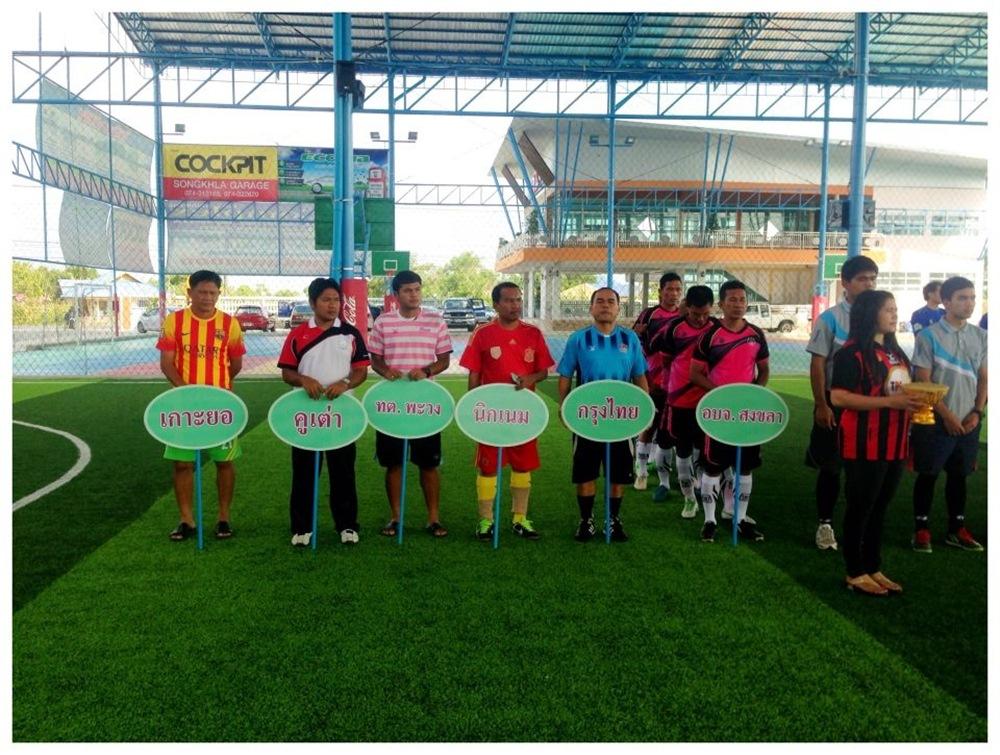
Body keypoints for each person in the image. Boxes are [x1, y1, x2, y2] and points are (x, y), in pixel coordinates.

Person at [830, 290, 922, 595]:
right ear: (870, 313)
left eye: (895, 309)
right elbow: (839, 397)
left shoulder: (896, 353)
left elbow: (900, 393)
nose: (895, 315)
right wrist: (889, 403)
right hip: (864, 443)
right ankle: (855, 571)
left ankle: (873, 566)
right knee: (861, 507)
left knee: (880, 508)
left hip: (895, 442)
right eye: (888, 310)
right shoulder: (851, 353)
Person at [277, 278, 370, 547]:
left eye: (336, 300)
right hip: (306, 417)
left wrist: (346, 383)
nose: (332, 305)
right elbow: (287, 372)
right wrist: (302, 379)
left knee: (343, 472)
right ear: (312, 303)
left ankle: (347, 525)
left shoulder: (350, 333)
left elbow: (361, 370)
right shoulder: (298, 334)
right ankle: (302, 527)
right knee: (304, 473)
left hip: (341, 416)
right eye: (326, 300)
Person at [459, 282, 554, 540]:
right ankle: (486, 521)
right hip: (491, 414)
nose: (515, 305)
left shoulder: (533, 333)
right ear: (496, 305)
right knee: (488, 467)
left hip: (523, 414)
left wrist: (530, 378)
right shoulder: (482, 333)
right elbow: (474, 373)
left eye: (518, 300)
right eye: (509, 300)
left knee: (522, 466)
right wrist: (472, 408)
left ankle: (520, 519)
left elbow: (543, 371)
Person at [156, 269, 245, 541]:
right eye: (202, 292)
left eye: (213, 293)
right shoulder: (174, 321)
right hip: (184, 406)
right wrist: (188, 392)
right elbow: (166, 363)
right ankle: (186, 519)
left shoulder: (229, 324)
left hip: (220, 407)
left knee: (224, 462)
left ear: (219, 294)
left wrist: (218, 391)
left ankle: (223, 518)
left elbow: (236, 364)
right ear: (190, 293)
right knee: (182, 464)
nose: (207, 297)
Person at [557, 287, 649, 542]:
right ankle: (586, 520)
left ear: (619, 308)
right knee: (585, 471)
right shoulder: (578, 339)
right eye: (600, 301)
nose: (605, 305)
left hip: (620, 418)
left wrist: (645, 409)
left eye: (611, 301)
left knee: (618, 473)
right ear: (591, 308)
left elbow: (640, 375)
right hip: (588, 418)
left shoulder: (630, 339)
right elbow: (565, 375)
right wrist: (564, 407)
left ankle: (613, 520)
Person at [368, 270, 453, 538]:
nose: (413, 295)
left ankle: (433, 519)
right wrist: (386, 371)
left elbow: (444, 360)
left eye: (417, 289)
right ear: (396, 295)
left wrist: (427, 371)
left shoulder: (436, 321)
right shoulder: (383, 322)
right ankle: (395, 518)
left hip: (425, 405)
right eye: (407, 290)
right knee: (394, 463)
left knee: (428, 463)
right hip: (392, 405)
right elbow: (375, 359)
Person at [804, 255, 879, 551]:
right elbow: (818, 364)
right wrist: (821, 405)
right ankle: (825, 524)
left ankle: (856, 526)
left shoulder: (879, 317)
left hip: (869, 406)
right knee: (832, 467)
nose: (869, 284)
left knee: (863, 470)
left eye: (872, 279)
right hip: (835, 404)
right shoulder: (830, 318)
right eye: (862, 279)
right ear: (845, 283)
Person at [910, 276, 988, 553]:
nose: (970, 303)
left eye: (972, 297)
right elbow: (923, 380)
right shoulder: (929, 336)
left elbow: (985, 378)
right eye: (963, 298)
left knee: (959, 475)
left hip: (969, 422)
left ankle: (956, 529)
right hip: (936, 420)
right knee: (928, 474)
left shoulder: (981, 336)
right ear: (946, 302)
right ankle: (921, 529)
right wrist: (947, 416)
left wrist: (977, 412)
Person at [690, 280, 770, 543]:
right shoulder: (709, 336)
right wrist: (720, 395)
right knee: (713, 468)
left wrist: (755, 394)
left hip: (745, 414)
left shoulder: (756, 334)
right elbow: (695, 373)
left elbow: (764, 370)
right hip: (718, 414)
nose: (738, 304)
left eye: (742, 299)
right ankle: (710, 521)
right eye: (732, 299)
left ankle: (739, 518)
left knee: (745, 468)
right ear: (721, 304)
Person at [651, 285, 717, 520]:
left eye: (705, 314)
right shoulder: (674, 329)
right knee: (681, 450)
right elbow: (666, 361)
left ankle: (703, 491)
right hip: (679, 400)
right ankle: (688, 498)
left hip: (708, 400)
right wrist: (669, 388)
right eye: (696, 314)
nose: (700, 319)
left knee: (706, 451)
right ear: (687, 307)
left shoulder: (716, 328)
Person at [631, 272, 683, 499]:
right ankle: (641, 472)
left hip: (677, 383)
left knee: (669, 431)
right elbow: (634, 341)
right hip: (652, 379)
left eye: (678, 289)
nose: (674, 293)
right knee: (648, 425)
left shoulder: (684, 316)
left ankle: (669, 477)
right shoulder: (649, 314)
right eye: (670, 289)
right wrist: (636, 333)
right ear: (660, 291)